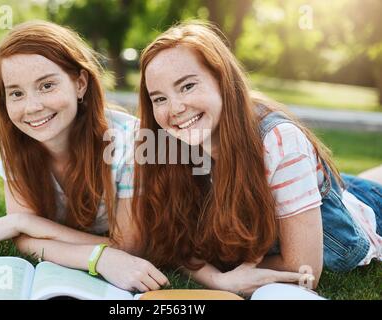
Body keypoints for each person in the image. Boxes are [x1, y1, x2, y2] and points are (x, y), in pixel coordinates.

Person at [131, 21, 382, 297]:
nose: (175, 109)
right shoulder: (170, 144)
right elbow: (173, 241)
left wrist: (222, 268)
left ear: (222, 79)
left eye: (188, 86)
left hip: (362, 211)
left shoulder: (278, 141)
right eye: (159, 99)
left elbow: (304, 270)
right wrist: (218, 280)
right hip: (306, 186)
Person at [0, 20, 168, 292]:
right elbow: (23, 240)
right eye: (16, 93)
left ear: (80, 84)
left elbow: (127, 246)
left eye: (47, 86)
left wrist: (26, 222)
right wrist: (98, 257)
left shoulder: (129, 143)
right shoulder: (16, 143)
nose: (32, 107)